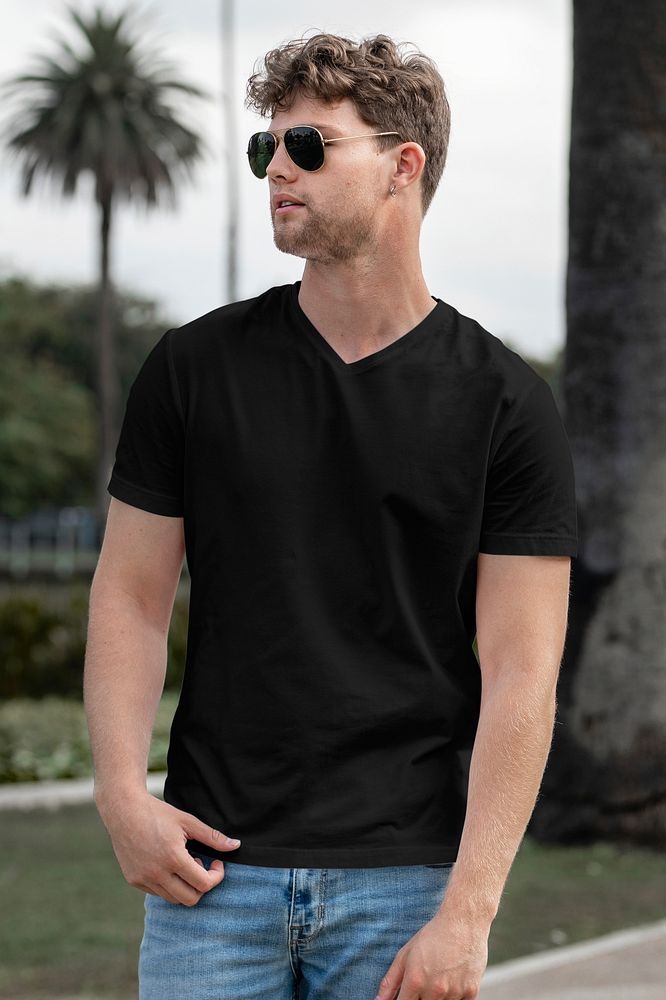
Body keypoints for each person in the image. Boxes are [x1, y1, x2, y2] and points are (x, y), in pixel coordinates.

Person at [84, 31, 578, 1000]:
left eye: (309, 145)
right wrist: (120, 798)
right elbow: (131, 596)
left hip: (406, 889)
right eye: (264, 146)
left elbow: (523, 667)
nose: (278, 167)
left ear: (403, 166)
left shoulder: (505, 404)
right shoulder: (194, 368)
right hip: (212, 883)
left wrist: (469, 911)